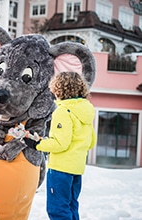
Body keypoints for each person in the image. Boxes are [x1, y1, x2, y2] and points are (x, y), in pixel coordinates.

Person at [32, 71, 97, 220]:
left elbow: (60, 143)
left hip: (60, 169)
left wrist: (38, 144)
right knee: (71, 206)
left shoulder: (63, 111)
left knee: (57, 209)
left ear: (58, 89)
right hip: (77, 169)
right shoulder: (85, 111)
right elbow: (91, 141)